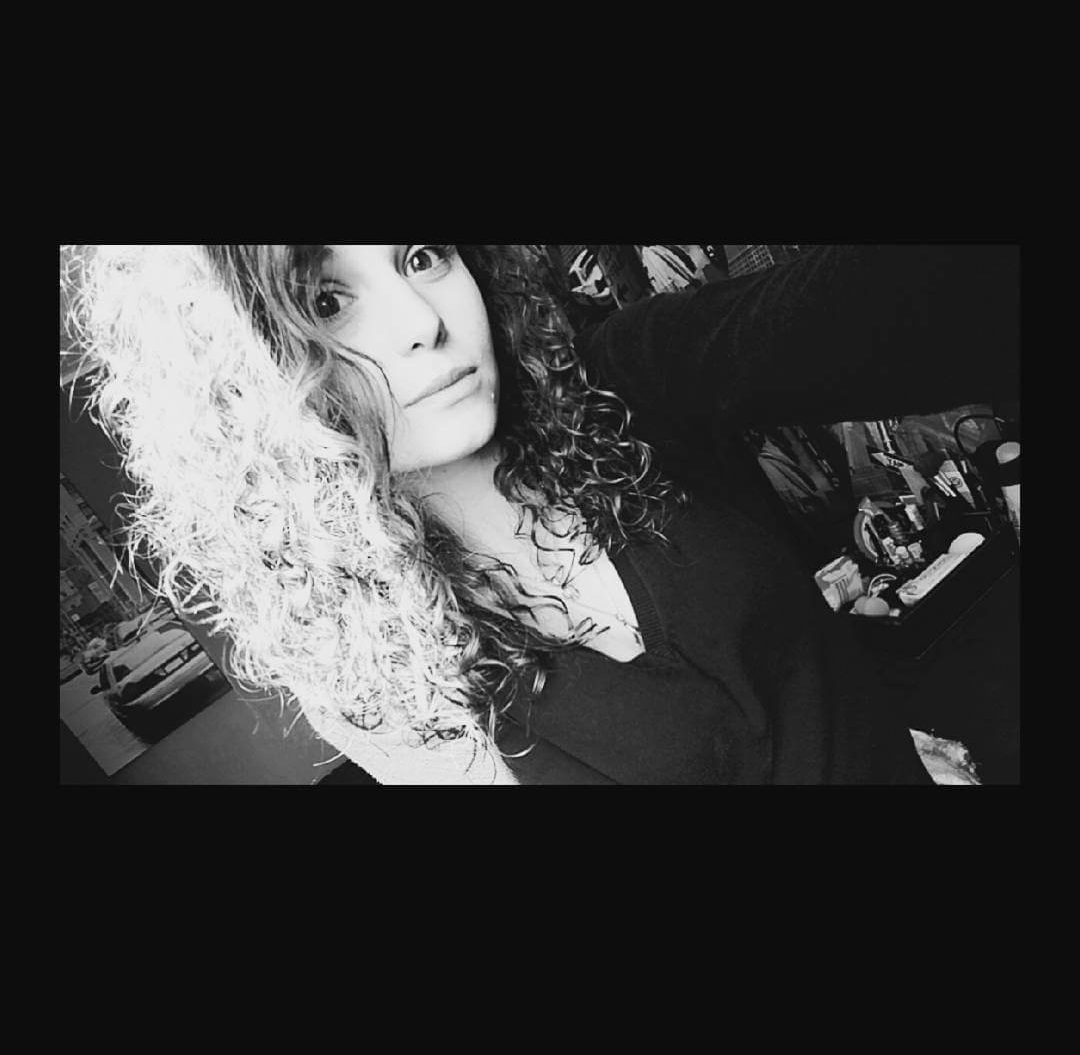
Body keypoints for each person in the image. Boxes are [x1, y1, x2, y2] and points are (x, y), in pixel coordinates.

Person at [62, 244, 1019, 785]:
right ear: (242, 381)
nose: (423, 320)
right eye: (327, 299)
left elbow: (896, 303)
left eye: (421, 255)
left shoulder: (613, 391)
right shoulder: (364, 656)